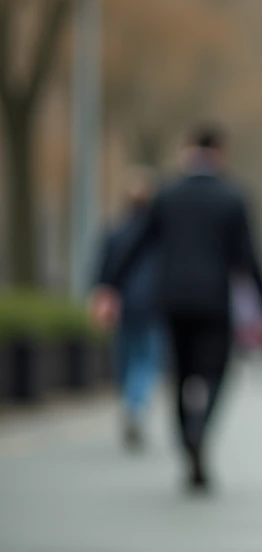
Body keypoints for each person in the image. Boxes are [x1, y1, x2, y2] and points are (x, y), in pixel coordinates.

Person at [106, 123, 262, 492]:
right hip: (214, 302)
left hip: (172, 301)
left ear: (188, 149)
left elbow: (137, 243)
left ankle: (186, 436)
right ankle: (200, 430)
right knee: (216, 373)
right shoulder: (233, 197)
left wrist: (109, 286)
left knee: (180, 375)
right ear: (221, 152)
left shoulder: (166, 193)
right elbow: (249, 257)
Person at [91, 166, 163, 451]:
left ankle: (130, 401)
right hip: (152, 305)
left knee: (127, 356)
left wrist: (101, 294)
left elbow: (103, 269)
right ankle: (136, 404)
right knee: (146, 358)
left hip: (123, 305)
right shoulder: (160, 236)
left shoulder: (115, 231)